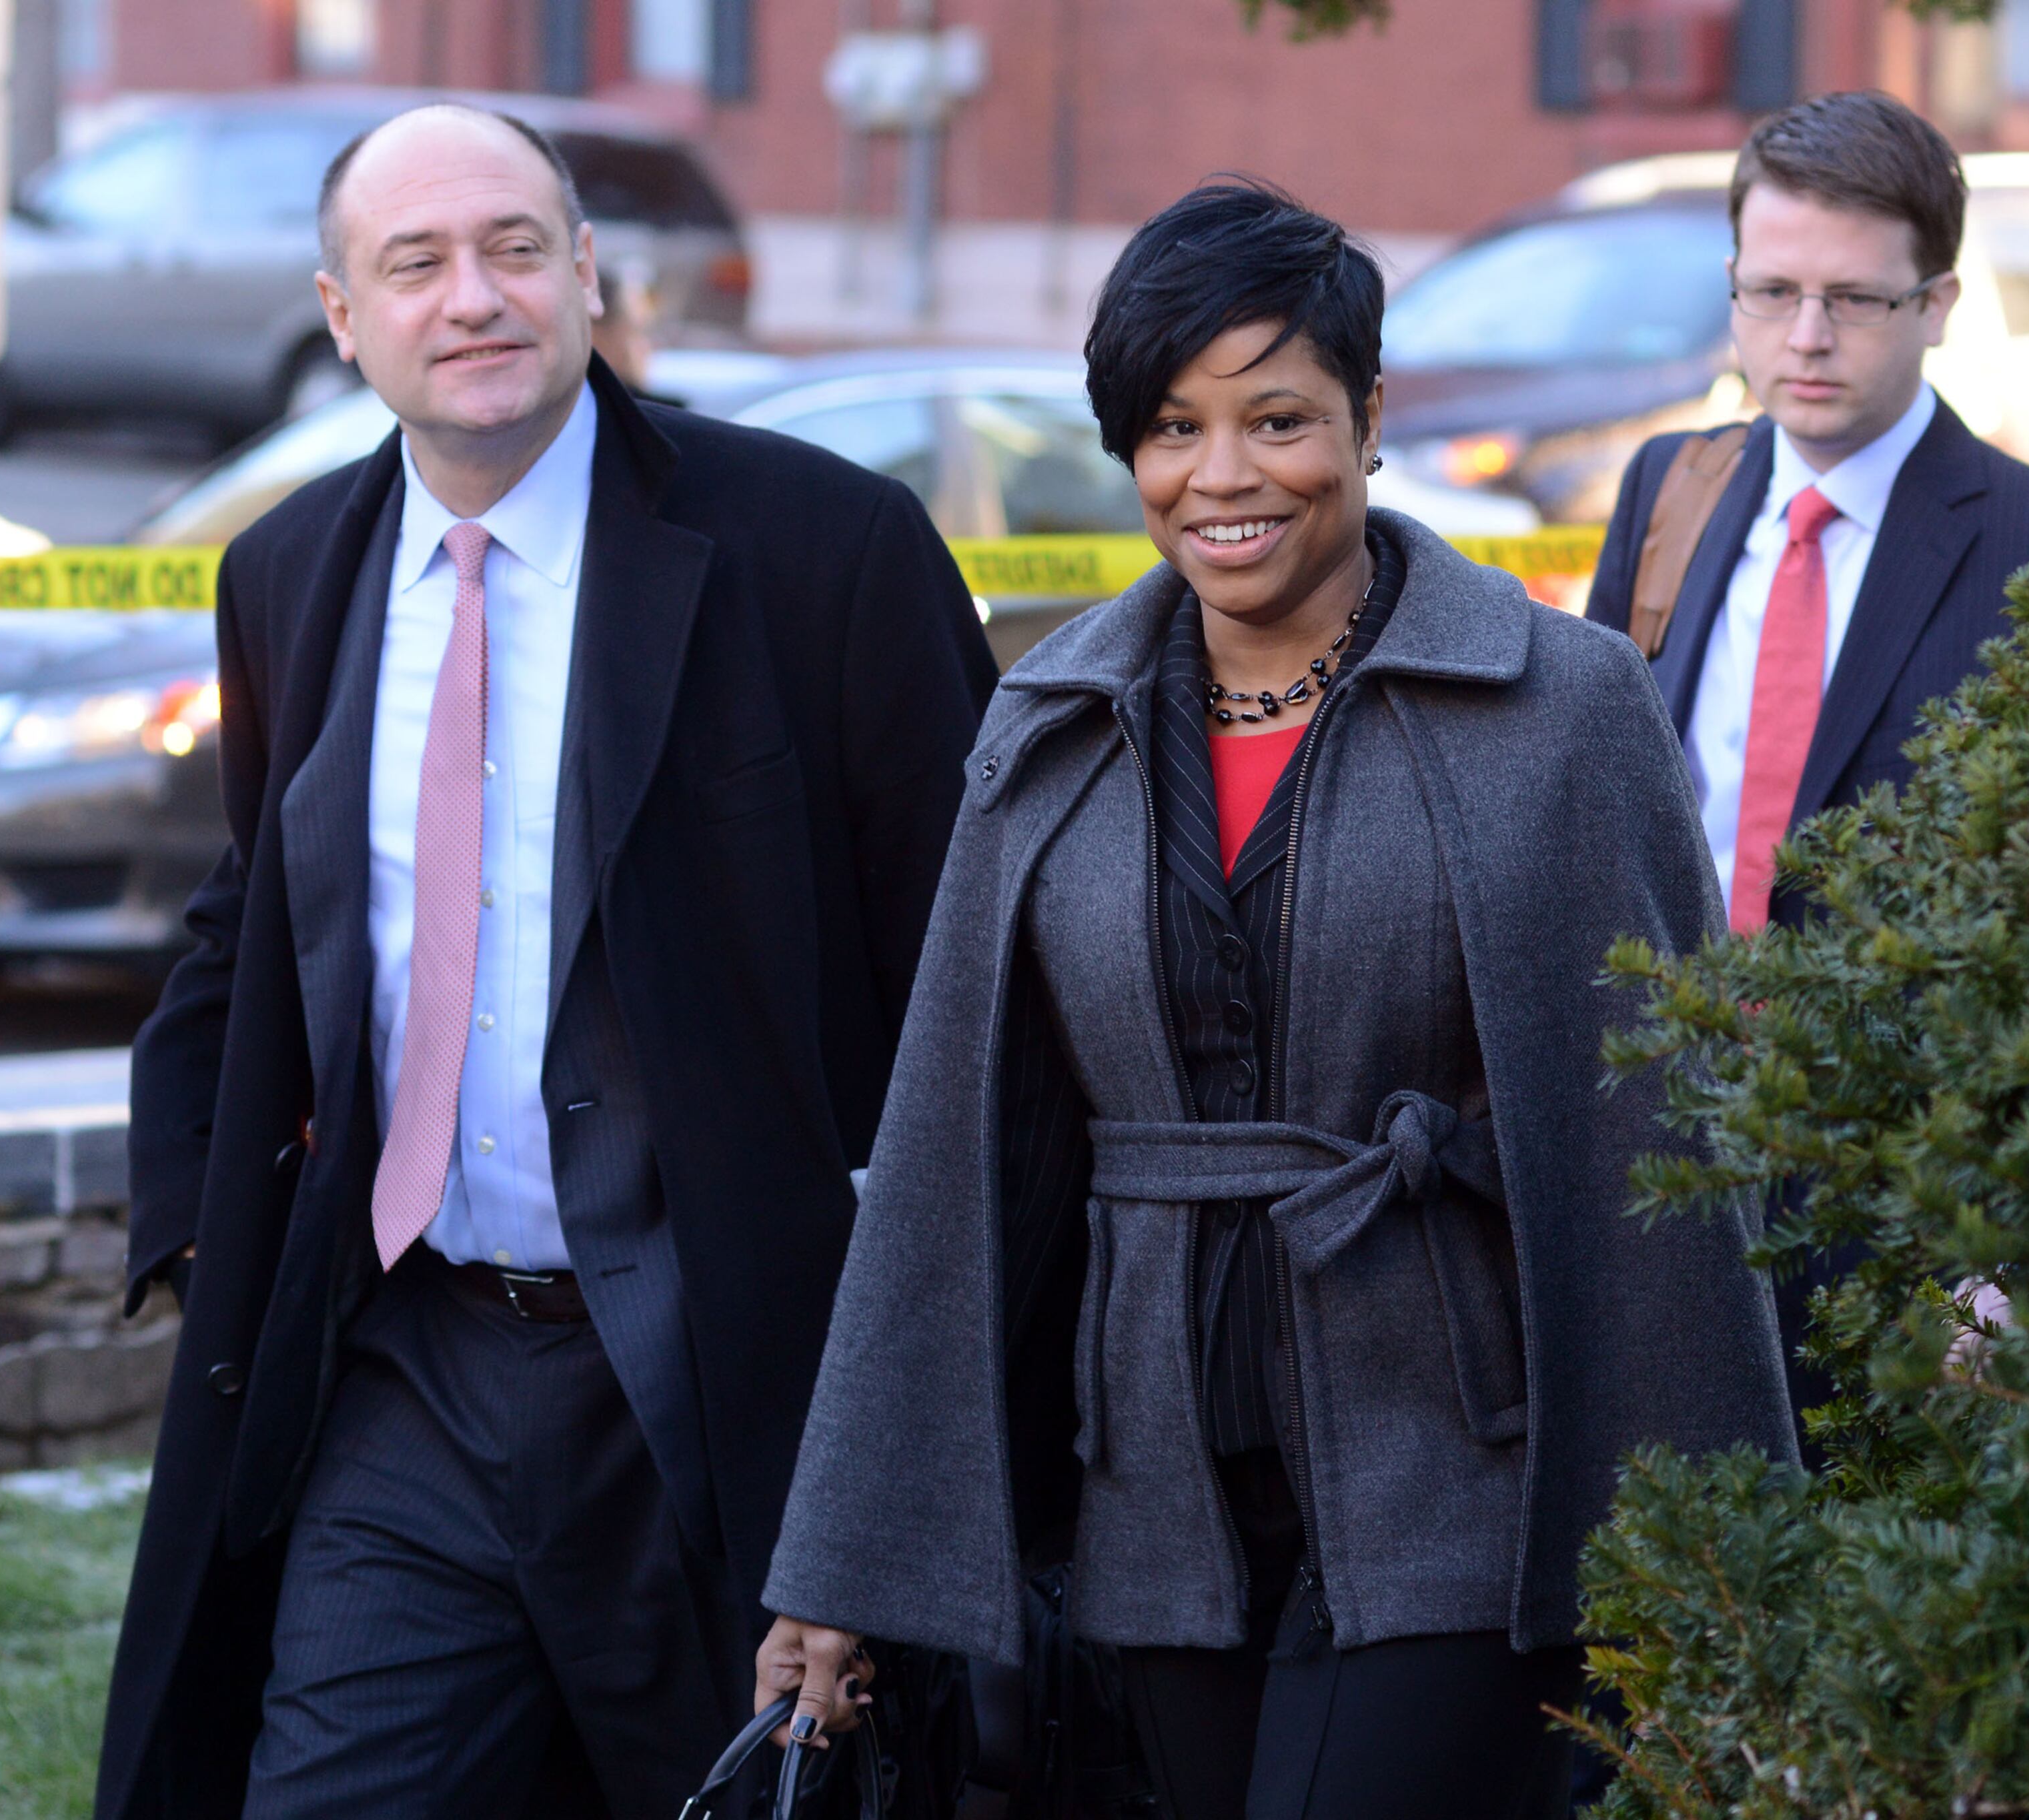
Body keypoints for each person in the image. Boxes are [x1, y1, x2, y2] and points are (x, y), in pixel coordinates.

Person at [752, 180, 1797, 1820]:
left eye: (1279, 418)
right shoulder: (1049, 722)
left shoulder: (1565, 708)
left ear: (1370, 420)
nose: (1222, 477)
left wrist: (1724, 1574)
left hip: (1464, 1485)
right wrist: (848, 1556)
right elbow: (951, 1162)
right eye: (1172, 427)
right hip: (1157, 1502)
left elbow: (1659, 1160)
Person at [97, 103, 996, 1819]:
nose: (476, 296)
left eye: (516, 246)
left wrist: (891, 1470)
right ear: (343, 317)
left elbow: (975, 992)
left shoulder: (827, 550)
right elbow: (254, 919)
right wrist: (199, 1220)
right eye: (415, 264)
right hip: (407, 1365)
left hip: (725, 1380)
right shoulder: (289, 573)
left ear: (587, 273)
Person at [1581, 90, 2029, 1428]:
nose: (1807, 338)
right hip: (1667, 1141)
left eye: (1855, 300)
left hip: (1909, 1184)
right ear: (1732, 287)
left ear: (1937, 302)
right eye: (1772, 292)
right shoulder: (1671, 490)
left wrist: (2011, 1250)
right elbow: (1593, 807)